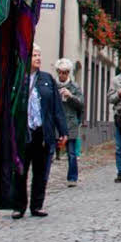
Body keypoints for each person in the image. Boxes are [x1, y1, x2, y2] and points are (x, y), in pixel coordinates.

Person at [14, 45, 68, 218]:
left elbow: (56, 107)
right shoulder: (16, 78)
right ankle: (19, 206)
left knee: (41, 171)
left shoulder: (47, 79)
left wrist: (63, 131)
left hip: (42, 132)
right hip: (22, 132)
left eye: (39, 55)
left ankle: (37, 205)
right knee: (20, 171)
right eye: (34, 55)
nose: (38, 58)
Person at [55, 59, 85, 187]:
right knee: (49, 151)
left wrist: (70, 96)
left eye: (65, 72)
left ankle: (72, 178)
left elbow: (81, 105)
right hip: (56, 122)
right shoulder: (52, 85)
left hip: (71, 122)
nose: (62, 75)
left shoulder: (75, 87)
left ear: (69, 73)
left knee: (71, 153)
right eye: (60, 72)